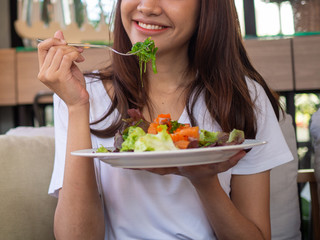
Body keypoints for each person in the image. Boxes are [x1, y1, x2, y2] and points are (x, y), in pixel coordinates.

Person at [37, 0, 293, 239]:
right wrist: (77, 106)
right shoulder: (81, 93)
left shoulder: (243, 97)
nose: (147, 7)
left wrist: (204, 181)